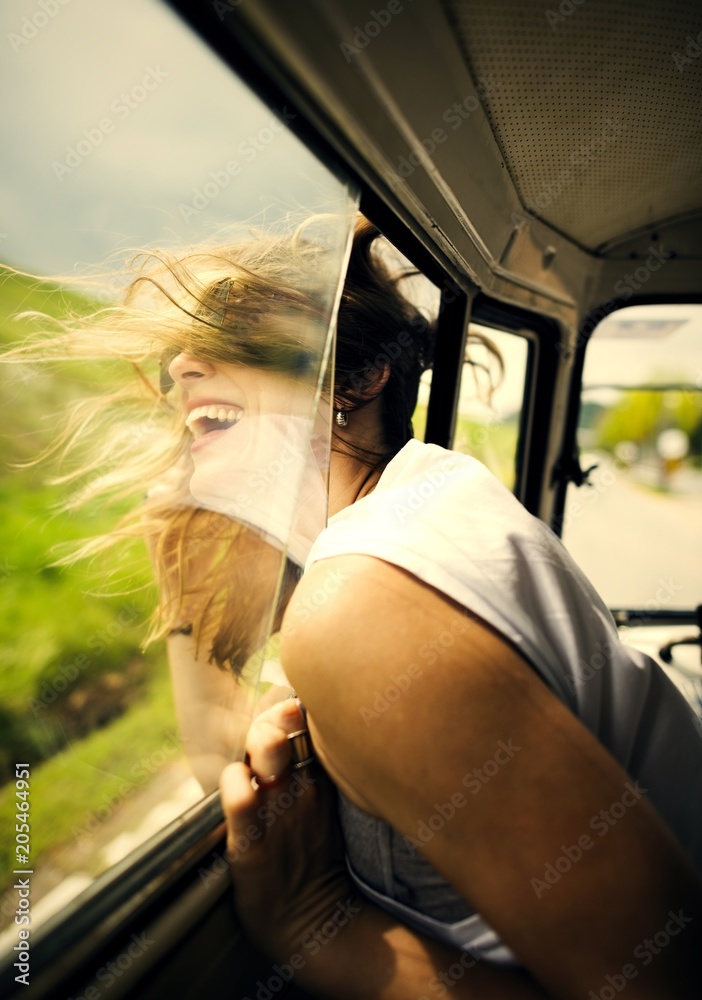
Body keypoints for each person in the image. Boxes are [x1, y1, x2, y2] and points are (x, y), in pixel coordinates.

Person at [10, 215, 702, 998]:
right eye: (174, 357)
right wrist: (183, 556)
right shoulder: (416, 510)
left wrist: (313, 928)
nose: (179, 369)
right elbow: (224, 745)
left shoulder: (364, 599)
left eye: (233, 334)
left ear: (361, 372)